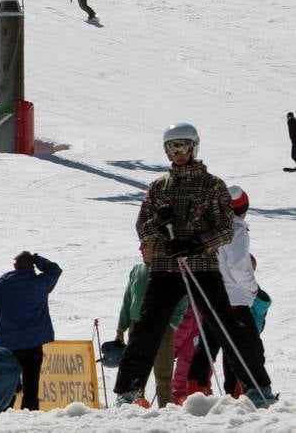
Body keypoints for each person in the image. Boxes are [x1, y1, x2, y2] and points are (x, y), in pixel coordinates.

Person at [111, 123, 275, 408]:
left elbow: (225, 228)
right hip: (167, 265)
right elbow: (142, 228)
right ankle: (128, 390)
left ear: (194, 147)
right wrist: (158, 224)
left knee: (223, 322)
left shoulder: (212, 186)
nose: (179, 153)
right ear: (166, 151)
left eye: (184, 146)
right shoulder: (158, 187)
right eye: (173, 147)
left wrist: (196, 243)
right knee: (148, 326)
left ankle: (257, 386)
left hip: (201, 264)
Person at [184, 186, 271, 399]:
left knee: (209, 343)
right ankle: (251, 391)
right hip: (233, 297)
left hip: (209, 295)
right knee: (247, 346)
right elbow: (239, 266)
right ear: (243, 209)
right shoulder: (235, 228)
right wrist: (252, 289)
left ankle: (196, 390)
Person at [0, 251, 60, 410]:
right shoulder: (40, 284)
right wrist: (36, 258)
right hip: (33, 344)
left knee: (7, 385)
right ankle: (30, 416)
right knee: (31, 384)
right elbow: (55, 270)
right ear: (32, 266)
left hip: (8, 346)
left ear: (15, 266)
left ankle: (5, 417)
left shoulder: (3, 284)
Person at [114, 243, 185, 408]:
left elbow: (183, 299)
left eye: (144, 246)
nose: (140, 249)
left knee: (163, 373)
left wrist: (172, 324)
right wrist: (121, 328)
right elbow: (127, 299)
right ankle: (136, 408)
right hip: (136, 325)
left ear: (155, 248)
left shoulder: (168, 270)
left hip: (163, 326)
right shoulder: (137, 270)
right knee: (136, 369)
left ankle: (166, 409)